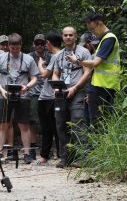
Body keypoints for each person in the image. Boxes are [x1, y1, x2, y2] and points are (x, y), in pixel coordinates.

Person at [0, 33, 40, 164]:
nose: (15, 50)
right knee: (2, 124)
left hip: (22, 95)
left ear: (21, 45)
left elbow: (35, 77)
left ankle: (27, 153)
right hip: (4, 94)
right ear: (8, 46)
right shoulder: (1, 58)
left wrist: (27, 86)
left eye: (17, 48)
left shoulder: (28, 59)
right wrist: (1, 90)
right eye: (12, 48)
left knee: (24, 124)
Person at [66, 14, 121, 125]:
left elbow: (95, 63)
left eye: (92, 29)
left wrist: (77, 61)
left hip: (103, 86)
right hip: (100, 85)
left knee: (97, 122)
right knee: (95, 120)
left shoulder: (109, 39)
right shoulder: (104, 39)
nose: (92, 33)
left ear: (99, 23)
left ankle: (99, 142)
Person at [52, 26, 92, 168]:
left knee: (77, 123)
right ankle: (65, 157)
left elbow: (87, 72)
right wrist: (56, 86)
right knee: (61, 124)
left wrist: (75, 88)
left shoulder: (84, 52)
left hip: (78, 91)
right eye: (65, 35)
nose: (68, 37)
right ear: (62, 37)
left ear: (75, 36)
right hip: (62, 93)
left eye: (71, 35)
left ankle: (83, 157)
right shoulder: (59, 55)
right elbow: (55, 73)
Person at [36, 29, 62, 164]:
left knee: (53, 127)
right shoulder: (58, 55)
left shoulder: (57, 56)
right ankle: (47, 155)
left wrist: (40, 65)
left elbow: (45, 74)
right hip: (45, 96)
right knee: (48, 128)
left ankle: (56, 154)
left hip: (51, 97)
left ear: (48, 43)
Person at [28, 34, 52, 159]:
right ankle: (32, 148)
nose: (39, 46)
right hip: (33, 93)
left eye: (42, 43)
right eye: (37, 43)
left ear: (46, 44)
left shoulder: (51, 56)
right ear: (34, 44)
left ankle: (47, 148)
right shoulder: (29, 57)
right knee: (33, 121)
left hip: (48, 93)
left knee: (48, 122)